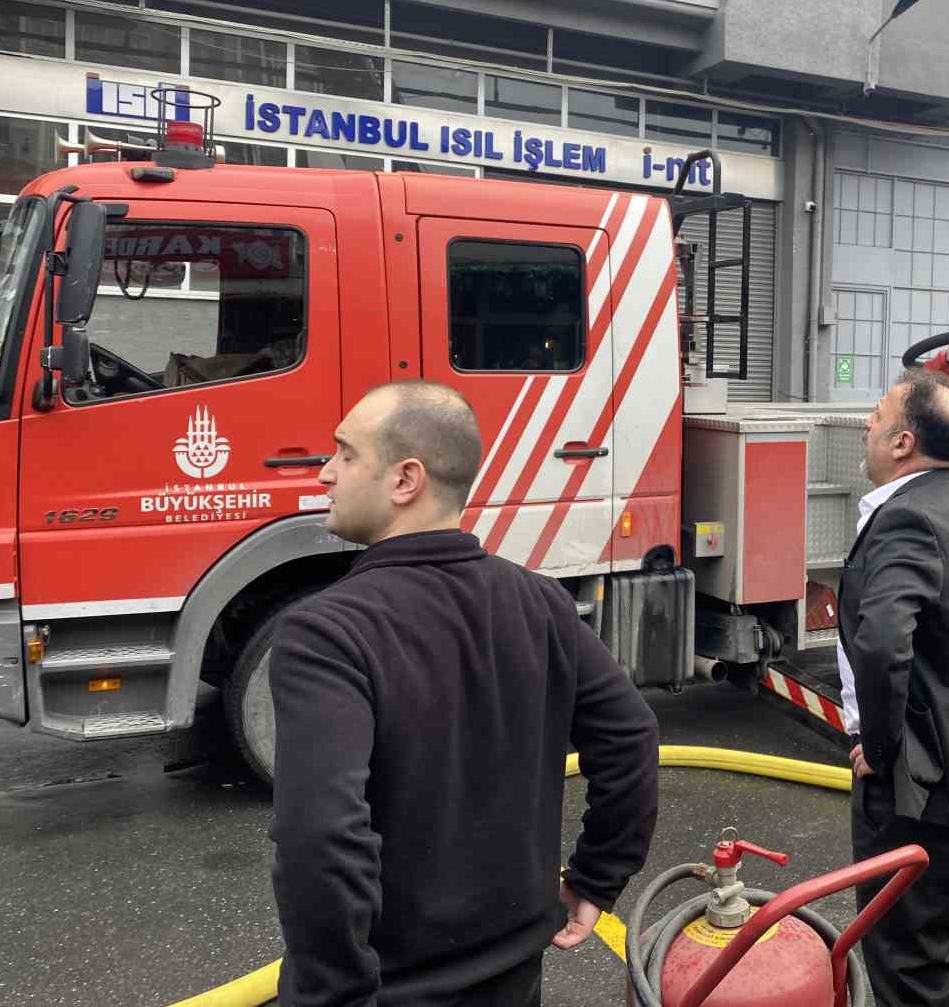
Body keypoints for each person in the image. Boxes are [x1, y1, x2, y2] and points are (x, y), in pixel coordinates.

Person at [269, 380, 660, 1006]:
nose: (325, 474)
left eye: (344, 454)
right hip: (513, 972)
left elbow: (321, 837)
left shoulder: (326, 632)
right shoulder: (541, 601)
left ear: (405, 480)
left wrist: (333, 995)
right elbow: (632, 736)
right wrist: (597, 876)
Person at [838, 368, 949, 1007]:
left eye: (878, 415)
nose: (867, 423)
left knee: (909, 968)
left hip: (921, 793)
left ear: (902, 442)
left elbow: (884, 641)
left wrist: (882, 752)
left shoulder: (904, 519)